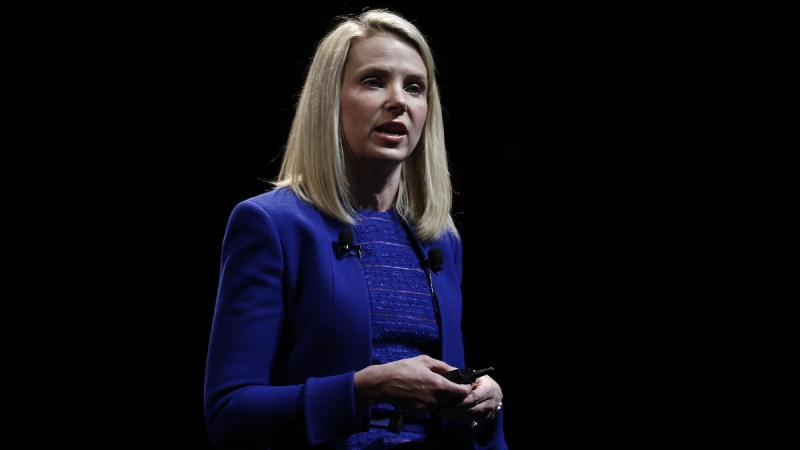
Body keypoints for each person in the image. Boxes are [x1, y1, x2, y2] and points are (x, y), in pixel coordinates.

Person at [203, 8, 507, 449]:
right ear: (330, 100)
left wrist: (484, 404)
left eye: (415, 87)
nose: (399, 101)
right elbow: (229, 414)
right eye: (373, 81)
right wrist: (365, 389)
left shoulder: (440, 238)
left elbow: (454, 413)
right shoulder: (271, 224)